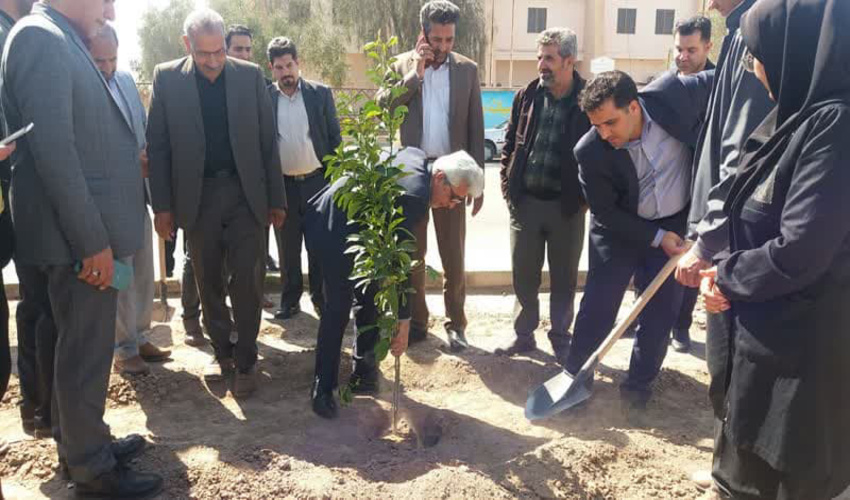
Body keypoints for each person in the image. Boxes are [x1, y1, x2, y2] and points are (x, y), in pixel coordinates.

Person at [1, 0, 163, 497]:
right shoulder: (40, 39)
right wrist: (92, 242)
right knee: (82, 357)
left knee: (84, 353)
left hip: (84, 239)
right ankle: (92, 471)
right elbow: (55, 152)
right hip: (76, 244)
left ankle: (88, 444)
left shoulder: (60, 38)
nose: (113, 10)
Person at [699, 1, 850, 497]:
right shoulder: (791, 119)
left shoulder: (834, 127)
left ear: (794, 50)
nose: (754, 67)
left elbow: (800, 251)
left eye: (758, 54)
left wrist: (727, 275)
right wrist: (717, 260)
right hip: (761, 348)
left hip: (801, 368)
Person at [147, 8, 285, 398]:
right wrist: (162, 207)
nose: (212, 61)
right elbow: (157, 147)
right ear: (187, 44)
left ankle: (246, 359)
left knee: (248, 280)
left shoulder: (249, 77)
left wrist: (277, 198)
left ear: (225, 45)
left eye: (218, 52)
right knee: (208, 281)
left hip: (246, 196)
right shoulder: (167, 79)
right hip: (199, 198)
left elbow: (266, 141)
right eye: (203, 53)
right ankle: (221, 352)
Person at [565, 70, 711, 410]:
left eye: (610, 123)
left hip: (675, 223)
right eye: (596, 125)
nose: (604, 134)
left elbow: (727, 79)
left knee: (661, 312)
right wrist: (656, 237)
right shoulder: (590, 151)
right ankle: (575, 381)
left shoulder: (673, 95)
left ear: (634, 107)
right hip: (619, 229)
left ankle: (638, 389)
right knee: (598, 308)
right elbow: (605, 212)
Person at [672, 0, 774, 486]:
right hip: (722, 227)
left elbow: (743, 153)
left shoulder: (759, 34)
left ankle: (732, 477)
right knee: (726, 363)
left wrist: (708, 238)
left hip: (735, 236)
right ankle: (726, 469)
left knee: (731, 361)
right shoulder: (735, 33)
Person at [305, 148, 484, 418]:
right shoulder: (413, 196)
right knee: (338, 307)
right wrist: (403, 322)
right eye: (455, 198)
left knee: (370, 295)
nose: (452, 206)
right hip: (337, 226)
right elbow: (400, 264)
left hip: (366, 232)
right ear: (439, 179)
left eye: (460, 202)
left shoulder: (420, 159)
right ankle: (322, 387)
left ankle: (364, 373)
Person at [378, 0, 484, 351]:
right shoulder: (400, 66)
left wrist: (477, 183)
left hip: (452, 178)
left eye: (449, 40)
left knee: (454, 255)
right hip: (414, 179)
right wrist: (417, 74)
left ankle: (456, 324)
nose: (442, 47)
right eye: (436, 39)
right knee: (413, 257)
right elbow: (385, 109)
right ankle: (418, 322)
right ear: (423, 34)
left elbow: (474, 125)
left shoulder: (467, 70)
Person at [495, 27, 589, 364]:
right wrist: (508, 186)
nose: (541, 65)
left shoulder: (587, 99)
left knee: (564, 278)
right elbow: (509, 144)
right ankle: (523, 336)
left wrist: (584, 199)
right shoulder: (527, 95)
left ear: (568, 60)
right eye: (539, 57)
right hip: (526, 204)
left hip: (567, 208)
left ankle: (561, 337)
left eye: (548, 58)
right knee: (523, 275)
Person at [89, 22, 171, 376]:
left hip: (137, 194)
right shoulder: (83, 89)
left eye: (112, 58)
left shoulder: (124, 81)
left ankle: (140, 335)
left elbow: (140, 130)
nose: (107, 67)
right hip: (108, 202)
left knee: (142, 270)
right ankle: (123, 348)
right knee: (120, 276)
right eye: (99, 60)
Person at [267, 37, 339, 321]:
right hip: (283, 186)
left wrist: (333, 181)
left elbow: (334, 137)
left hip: (317, 183)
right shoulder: (266, 98)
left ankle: (320, 299)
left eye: (289, 65)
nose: (286, 72)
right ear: (271, 69)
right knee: (287, 247)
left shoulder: (319, 93)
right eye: (279, 67)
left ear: (298, 63)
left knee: (318, 244)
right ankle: (290, 300)